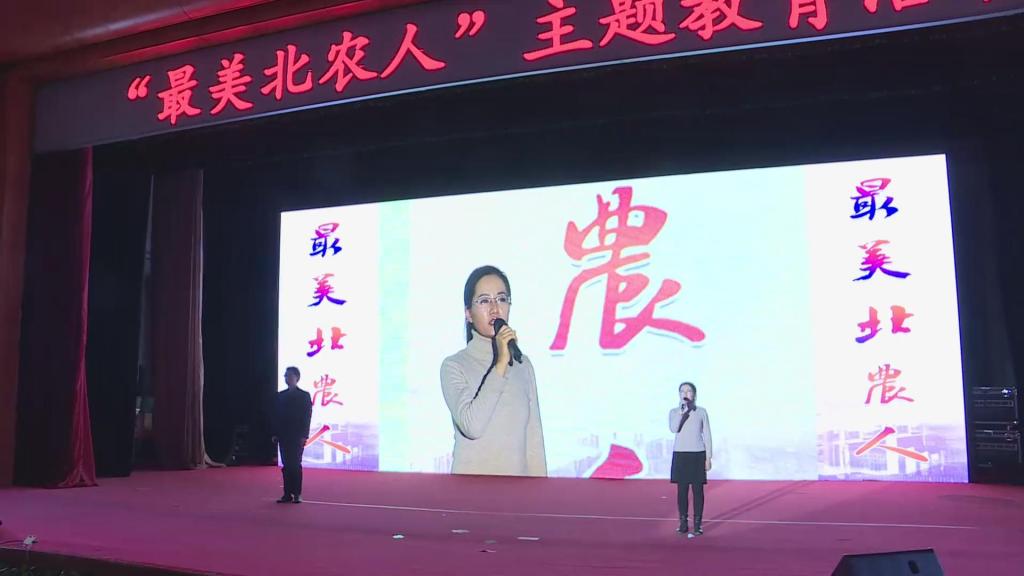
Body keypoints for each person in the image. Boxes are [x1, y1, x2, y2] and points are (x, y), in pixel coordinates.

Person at [440, 265, 547, 476]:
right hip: (470, 492)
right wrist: (500, 364)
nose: (495, 308)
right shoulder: (454, 366)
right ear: (468, 314)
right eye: (484, 301)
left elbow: (533, 440)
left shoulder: (523, 365)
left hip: (516, 492)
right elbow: (473, 426)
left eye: (502, 299)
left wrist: (540, 490)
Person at [668, 381, 712, 537]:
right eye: (682, 391)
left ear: (694, 394)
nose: (685, 393)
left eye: (689, 391)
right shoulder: (674, 412)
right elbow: (674, 428)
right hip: (681, 454)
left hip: (697, 453)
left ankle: (698, 524)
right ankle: (683, 522)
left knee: (698, 491)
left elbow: (707, 435)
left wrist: (708, 457)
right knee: (682, 491)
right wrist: (682, 413)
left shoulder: (701, 412)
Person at [272, 366, 312, 503]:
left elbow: (307, 417)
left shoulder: (304, 396)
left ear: (296, 377)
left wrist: (304, 435)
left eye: (289, 375)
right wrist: (275, 433)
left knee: (295, 464)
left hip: (297, 435)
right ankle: (287, 493)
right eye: (285, 375)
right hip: (284, 435)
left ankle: (297, 493)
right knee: (286, 465)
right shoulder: (280, 396)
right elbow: (276, 416)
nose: (286, 378)